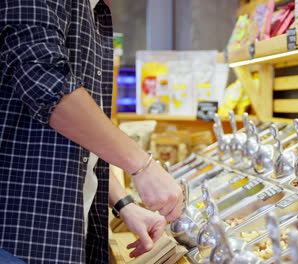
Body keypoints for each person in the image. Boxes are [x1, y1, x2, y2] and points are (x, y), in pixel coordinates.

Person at [0, 0, 183, 263]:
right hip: (17, 237)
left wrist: (124, 204)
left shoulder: (94, 11)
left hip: (63, 231)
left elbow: (78, 139)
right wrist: (143, 166)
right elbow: (45, 83)